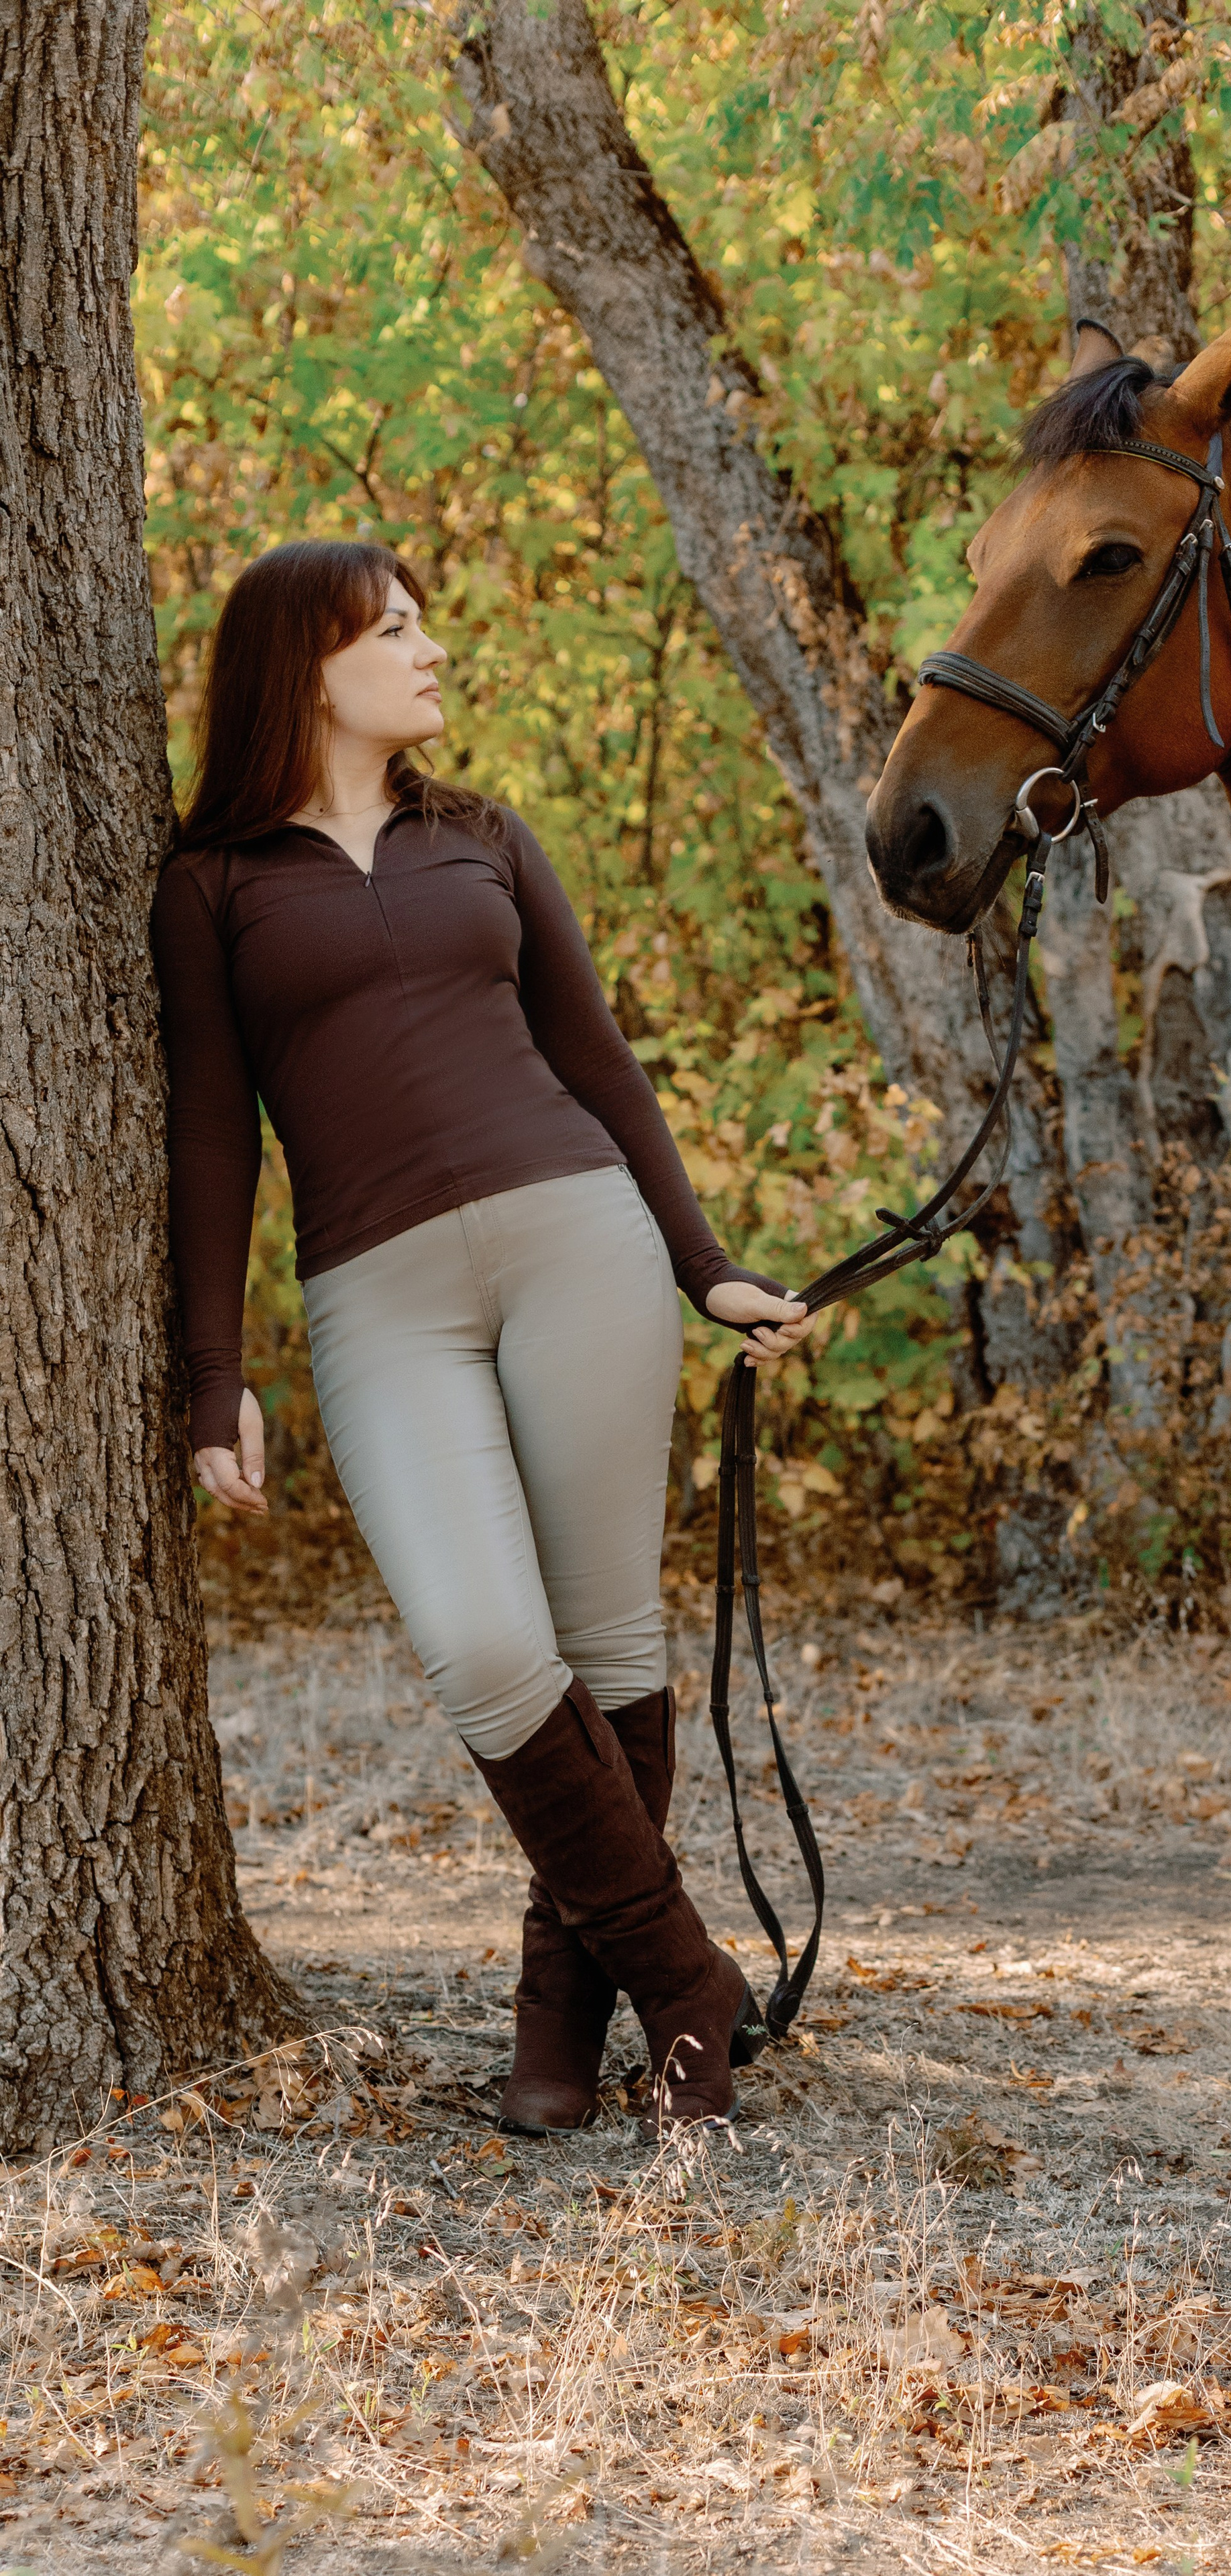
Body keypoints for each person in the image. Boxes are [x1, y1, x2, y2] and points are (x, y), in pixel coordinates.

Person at [152, 539, 812, 2135]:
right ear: (307, 666)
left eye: (424, 618)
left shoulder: (485, 840)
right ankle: (687, 1981)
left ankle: (556, 2033)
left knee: (605, 1644)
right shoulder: (214, 882)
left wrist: (700, 1266)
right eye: (394, 629)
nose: (430, 648)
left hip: (576, 1239)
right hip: (377, 1294)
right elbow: (213, 1142)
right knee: (488, 1649)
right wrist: (214, 1378)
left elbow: (598, 1061)